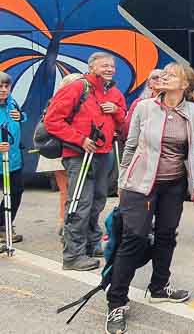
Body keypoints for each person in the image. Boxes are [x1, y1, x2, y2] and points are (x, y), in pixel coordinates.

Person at [105, 63, 194, 334]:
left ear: (184, 85)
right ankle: (116, 301)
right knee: (134, 238)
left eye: (172, 75)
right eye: (164, 73)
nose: (164, 76)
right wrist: (122, 181)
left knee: (166, 235)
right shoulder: (144, 107)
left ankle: (159, 286)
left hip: (174, 185)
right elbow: (130, 144)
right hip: (141, 185)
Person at [45, 52, 126, 272]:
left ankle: (91, 244)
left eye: (112, 66)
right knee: (80, 204)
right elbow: (52, 120)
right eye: (104, 65)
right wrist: (80, 139)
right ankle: (73, 255)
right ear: (91, 67)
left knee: (97, 201)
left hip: (104, 153)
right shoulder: (77, 87)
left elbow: (123, 123)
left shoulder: (115, 93)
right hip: (80, 154)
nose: (109, 69)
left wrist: (117, 111)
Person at [35, 73, 84, 240]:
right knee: (68, 190)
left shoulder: (56, 100)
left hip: (67, 149)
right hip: (60, 150)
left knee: (71, 190)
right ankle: (65, 223)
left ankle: (67, 223)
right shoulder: (64, 102)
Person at [0, 71, 27, 250]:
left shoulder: (12, 103)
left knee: (15, 192)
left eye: (6, 86)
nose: (3, 90)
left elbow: (20, 117)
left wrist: (21, 116)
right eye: (0, 87)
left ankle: (3, 226)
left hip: (13, 158)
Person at [121, 69, 162, 141]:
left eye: (162, 78)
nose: (159, 80)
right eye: (155, 77)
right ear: (149, 83)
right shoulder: (138, 102)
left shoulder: (173, 103)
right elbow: (128, 125)